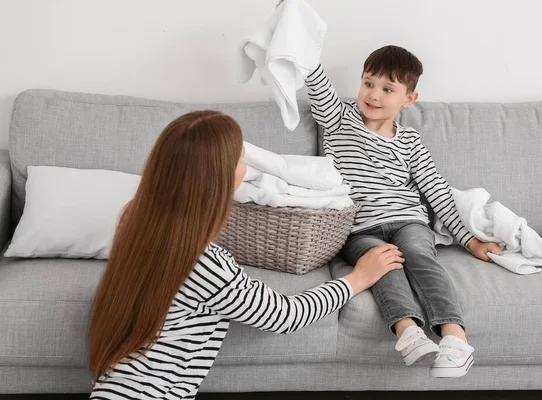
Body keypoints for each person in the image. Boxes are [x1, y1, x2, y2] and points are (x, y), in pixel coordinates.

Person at [88, 110, 405, 399]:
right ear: (219, 179)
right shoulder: (205, 264)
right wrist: (357, 279)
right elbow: (285, 315)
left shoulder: (133, 222)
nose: (248, 166)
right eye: (241, 158)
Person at [304, 45, 503, 378]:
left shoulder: (410, 141)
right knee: (381, 262)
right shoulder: (338, 118)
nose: (374, 95)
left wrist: (471, 242)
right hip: (358, 230)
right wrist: (297, 26)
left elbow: (436, 191)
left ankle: (455, 339)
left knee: (416, 253)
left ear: (409, 99)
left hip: (407, 220)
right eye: (368, 83)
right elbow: (313, 74)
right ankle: (407, 333)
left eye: (387, 89)